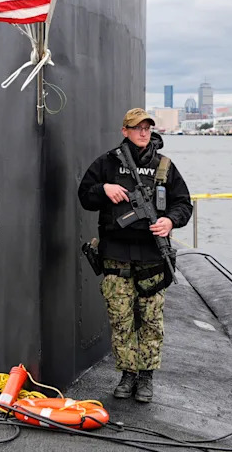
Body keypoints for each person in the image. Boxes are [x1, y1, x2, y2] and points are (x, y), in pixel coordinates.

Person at [78, 108, 192, 403]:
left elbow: (183, 203)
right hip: (116, 258)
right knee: (121, 321)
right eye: (137, 128)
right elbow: (85, 196)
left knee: (151, 321)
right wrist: (104, 188)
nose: (143, 132)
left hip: (153, 259)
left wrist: (170, 221)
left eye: (147, 128)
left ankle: (146, 377)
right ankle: (127, 374)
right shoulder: (107, 163)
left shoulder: (164, 166)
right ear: (125, 131)